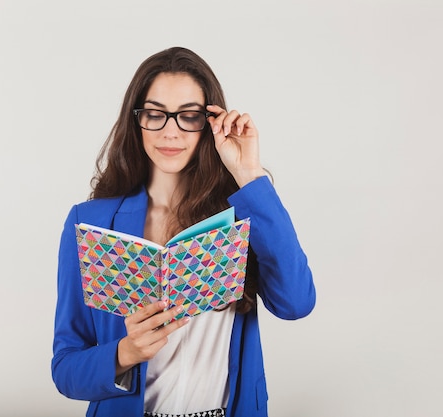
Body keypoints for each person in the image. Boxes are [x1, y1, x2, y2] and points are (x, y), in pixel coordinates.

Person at [51, 46, 316, 417]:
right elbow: (65, 368)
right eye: (156, 114)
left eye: (188, 116)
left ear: (209, 123)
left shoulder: (241, 215)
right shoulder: (91, 222)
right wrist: (125, 353)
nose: (170, 131)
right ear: (136, 120)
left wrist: (248, 174)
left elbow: (296, 303)